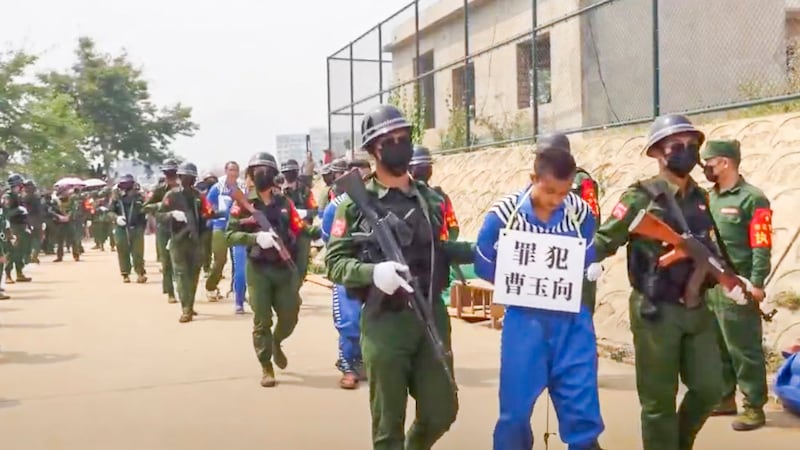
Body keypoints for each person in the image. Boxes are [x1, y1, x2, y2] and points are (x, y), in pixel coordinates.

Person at [325, 104, 474, 450]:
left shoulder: (430, 199)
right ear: (373, 150)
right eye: (388, 140)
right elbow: (334, 263)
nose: (398, 145)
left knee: (442, 410)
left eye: (403, 138)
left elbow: (443, 248)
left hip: (430, 316)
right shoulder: (353, 204)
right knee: (387, 426)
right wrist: (373, 272)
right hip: (384, 323)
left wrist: (486, 250)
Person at [593, 114, 744, 450]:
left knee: (710, 387)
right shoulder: (640, 197)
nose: (688, 152)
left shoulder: (700, 197)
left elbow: (711, 245)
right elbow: (604, 241)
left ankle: (679, 442)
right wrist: (571, 262)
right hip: (655, 309)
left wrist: (733, 278)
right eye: (678, 146)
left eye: (693, 146)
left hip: (695, 306)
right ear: (658, 153)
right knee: (658, 401)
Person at [474, 147, 603, 450]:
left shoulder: (579, 212)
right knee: (515, 410)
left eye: (564, 191)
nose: (556, 199)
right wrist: (513, 283)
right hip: (525, 321)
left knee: (581, 402)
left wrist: (591, 266)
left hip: (572, 321)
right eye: (549, 191)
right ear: (533, 178)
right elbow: (482, 258)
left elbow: (588, 254)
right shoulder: (504, 214)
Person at [701, 140, 771, 431]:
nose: (705, 168)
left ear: (725, 163)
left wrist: (756, 283)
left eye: (709, 162)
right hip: (712, 284)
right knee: (717, 345)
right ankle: (724, 397)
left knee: (744, 348)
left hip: (738, 286)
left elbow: (761, 243)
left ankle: (754, 406)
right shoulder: (708, 198)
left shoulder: (752, 198)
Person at [226, 152, 310, 387]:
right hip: (259, 269)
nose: (262, 175)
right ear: (251, 175)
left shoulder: (285, 202)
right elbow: (229, 235)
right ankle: (266, 366)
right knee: (262, 320)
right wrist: (254, 238)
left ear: (274, 176)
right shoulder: (242, 203)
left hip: (284, 269)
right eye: (257, 171)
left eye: (267, 170)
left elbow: (299, 229)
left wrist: (322, 233)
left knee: (290, 315)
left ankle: (276, 341)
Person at [320, 164, 371, 389]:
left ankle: (367, 361)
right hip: (347, 271)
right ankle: (348, 366)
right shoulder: (338, 206)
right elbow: (327, 237)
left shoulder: (380, 201)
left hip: (376, 271)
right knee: (349, 322)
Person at [159, 162, 214, 322]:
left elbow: (207, 215)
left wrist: (211, 216)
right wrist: (172, 215)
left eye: (191, 178)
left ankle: (189, 303)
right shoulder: (171, 195)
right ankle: (186, 308)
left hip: (196, 240)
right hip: (178, 240)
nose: (187, 180)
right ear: (180, 177)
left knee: (194, 274)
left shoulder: (199, 196)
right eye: (185, 177)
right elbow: (159, 216)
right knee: (182, 274)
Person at [143, 159, 180, 303]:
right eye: (168, 172)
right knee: (166, 261)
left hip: (181, 228)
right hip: (164, 228)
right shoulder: (159, 190)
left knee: (183, 262)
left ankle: (184, 292)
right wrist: (161, 205)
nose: (170, 175)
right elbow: (146, 207)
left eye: (172, 172)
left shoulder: (184, 189)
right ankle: (170, 291)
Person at [205, 162, 240, 301]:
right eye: (231, 169)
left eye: (236, 170)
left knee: (237, 261)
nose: (233, 172)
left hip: (236, 227)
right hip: (219, 227)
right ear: (226, 171)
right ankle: (211, 287)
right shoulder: (216, 188)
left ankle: (236, 290)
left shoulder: (240, 188)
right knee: (220, 260)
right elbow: (207, 207)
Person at [112, 174, 148, 284]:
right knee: (122, 249)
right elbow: (109, 212)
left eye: (128, 184)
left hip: (136, 227)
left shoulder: (139, 198)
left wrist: (142, 226)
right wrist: (116, 218)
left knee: (138, 252)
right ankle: (125, 274)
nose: (126, 188)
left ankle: (140, 273)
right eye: (124, 185)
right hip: (121, 228)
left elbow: (145, 212)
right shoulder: (116, 198)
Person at [3, 174, 32, 283]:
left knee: (21, 251)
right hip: (12, 227)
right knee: (12, 251)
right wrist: (18, 210)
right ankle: (8, 275)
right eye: (20, 184)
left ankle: (20, 273)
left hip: (21, 226)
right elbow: (7, 214)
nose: (22, 187)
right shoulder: (8, 196)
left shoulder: (18, 196)